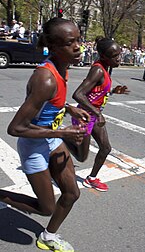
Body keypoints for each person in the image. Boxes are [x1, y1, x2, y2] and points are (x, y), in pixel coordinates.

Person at [0, 17, 90, 252]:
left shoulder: (63, 67)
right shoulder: (45, 79)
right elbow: (16, 128)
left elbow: (50, 105)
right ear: (54, 46)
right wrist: (63, 132)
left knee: (72, 192)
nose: (78, 46)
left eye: (78, 40)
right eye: (70, 42)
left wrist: (69, 108)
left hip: (51, 138)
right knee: (46, 207)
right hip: (32, 144)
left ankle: (49, 236)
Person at [65, 38, 129, 192]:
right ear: (104, 57)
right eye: (115, 56)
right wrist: (96, 113)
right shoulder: (98, 70)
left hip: (93, 115)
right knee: (81, 157)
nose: (119, 58)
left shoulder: (105, 68)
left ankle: (91, 178)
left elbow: (97, 91)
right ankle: (62, 138)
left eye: (119, 54)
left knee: (105, 148)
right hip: (84, 117)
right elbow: (78, 94)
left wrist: (113, 91)